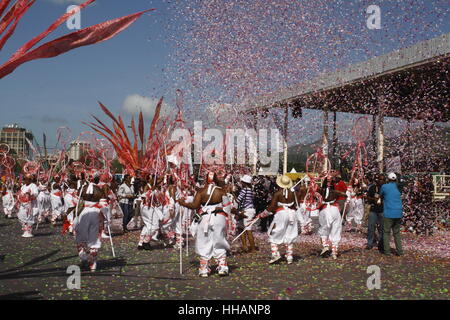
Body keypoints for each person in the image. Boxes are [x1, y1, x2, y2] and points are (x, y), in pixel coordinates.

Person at [178, 172, 233, 277]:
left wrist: (182, 203)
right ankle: (222, 267)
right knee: (219, 239)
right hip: (219, 218)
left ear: (205, 180)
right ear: (216, 179)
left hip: (204, 218)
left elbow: (194, 205)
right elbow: (228, 207)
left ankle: (203, 269)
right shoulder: (221, 191)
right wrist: (220, 208)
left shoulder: (201, 191)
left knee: (203, 241)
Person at [72, 174, 108, 272]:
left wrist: (84, 204)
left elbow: (75, 201)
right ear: (97, 180)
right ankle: (93, 264)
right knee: (94, 239)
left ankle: (83, 258)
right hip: (96, 214)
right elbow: (105, 206)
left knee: (80, 237)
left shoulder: (82, 189)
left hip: (83, 213)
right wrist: (105, 217)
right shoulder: (100, 190)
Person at [260, 175, 298, 264]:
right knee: (290, 234)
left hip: (281, 214)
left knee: (274, 233)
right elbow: (295, 205)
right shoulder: (293, 193)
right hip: (292, 214)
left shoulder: (278, 194)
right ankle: (289, 256)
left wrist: (263, 214)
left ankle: (275, 254)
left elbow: (272, 207)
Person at [318, 176, 342, 260]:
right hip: (335, 211)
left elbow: (313, 192)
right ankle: (334, 252)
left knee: (324, 230)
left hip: (324, 211)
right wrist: (349, 193)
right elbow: (344, 195)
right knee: (336, 230)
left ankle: (325, 246)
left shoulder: (321, 191)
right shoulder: (336, 191)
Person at [380, 172, 404, 256]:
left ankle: (387, 251)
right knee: (396, 232)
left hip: (389, 212)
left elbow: (381, 195)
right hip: (398, 212)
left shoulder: (384, 187)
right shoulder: (399, 187)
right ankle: (400, 251)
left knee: (386, 232)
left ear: (388, 179)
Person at [236, 175, 257, 252]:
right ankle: (245, 247)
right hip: (247, 210)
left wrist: (233, 193)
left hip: (247, 210)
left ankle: (252, 248)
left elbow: (238, 201)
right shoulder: (250, 190)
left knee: (248, 229)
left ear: (244, 182)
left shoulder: (244, 190)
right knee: (241, 228)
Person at [365, 174, 385, 251]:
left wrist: (382, 201)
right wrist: (374, 199)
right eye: (379, 179)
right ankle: (369, 243)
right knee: (371, 227)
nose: (381, 181)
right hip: (373, 210)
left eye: (382, 180)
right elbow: (368, 197)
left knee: (382, 228)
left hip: (382, 210)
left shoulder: (385, 188)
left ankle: (381, 244)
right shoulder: (373, 188)